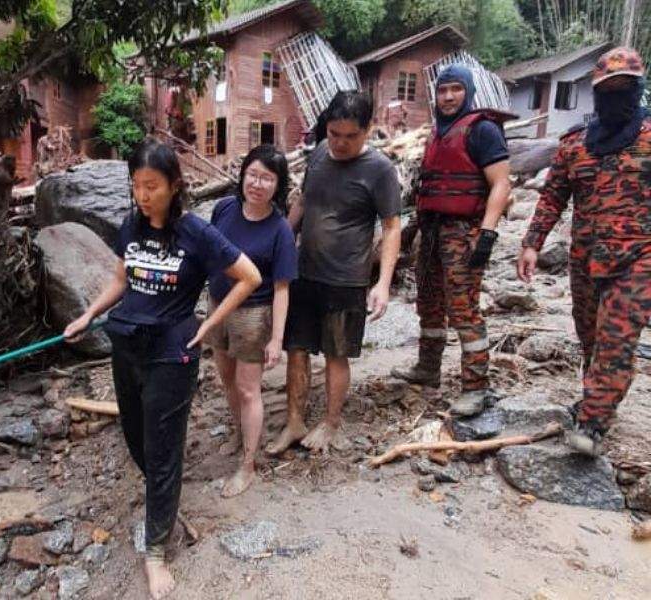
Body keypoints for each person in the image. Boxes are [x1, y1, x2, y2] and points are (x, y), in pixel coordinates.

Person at [64, 139, 261, 599]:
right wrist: (88, 315)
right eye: (136, 185)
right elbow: (120, 279)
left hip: (171, 355)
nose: (142, 195)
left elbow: (249, 275)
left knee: (163, 450)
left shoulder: (195, 231)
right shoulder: (131, 224)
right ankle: (165, 505)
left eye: (151, 185)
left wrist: (209, 323)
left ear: (174, 185)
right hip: (126, 347)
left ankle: (155, 551)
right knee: (137, 439)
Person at [517, 47, 651, 456]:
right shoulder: (575, 143)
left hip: (638, 259)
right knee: (591, 340)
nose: (616, 95)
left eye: (624, 88)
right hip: (585, 259)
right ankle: (596, 399)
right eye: (607, 89)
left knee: (616, 341)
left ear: (638, 90)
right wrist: (531, 243)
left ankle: (592, 424)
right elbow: (553, 196)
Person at [266, 91, 402, 455]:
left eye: (350, 136)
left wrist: (383, 283)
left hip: (347, 279)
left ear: (368, 130)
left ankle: (330, 422)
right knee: (296, 348)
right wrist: (280, 242)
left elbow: (391, 227)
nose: (339, 143)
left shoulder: (380, 170)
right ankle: (294, 421)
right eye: (334, 132)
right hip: (304, 272)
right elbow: (304, 201)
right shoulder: (320, 154)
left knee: (335, 353)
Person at [390, 64, 512, 417]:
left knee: (463, 309)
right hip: (430, 232)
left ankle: (475, 387)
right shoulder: (434, 133)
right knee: (428, 303)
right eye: (442, 90)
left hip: (464, 232)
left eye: (456, 89)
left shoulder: (483, 130)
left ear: (468, 92)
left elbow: (501, 184)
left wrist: (487, 234)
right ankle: (428, 369)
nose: (447, 97)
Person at [206, 144, 298, 497]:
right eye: (253, 175)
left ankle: (248, 464)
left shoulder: (280, 231)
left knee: (248, 389)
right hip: (219, 307)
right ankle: (238, 431)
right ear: (243, 175)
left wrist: (276, 338)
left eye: (267, 178)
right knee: (227, 380)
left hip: (252, 316)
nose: (257, 184)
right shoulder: (224, 209)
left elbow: (282, 289)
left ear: (278, 185)